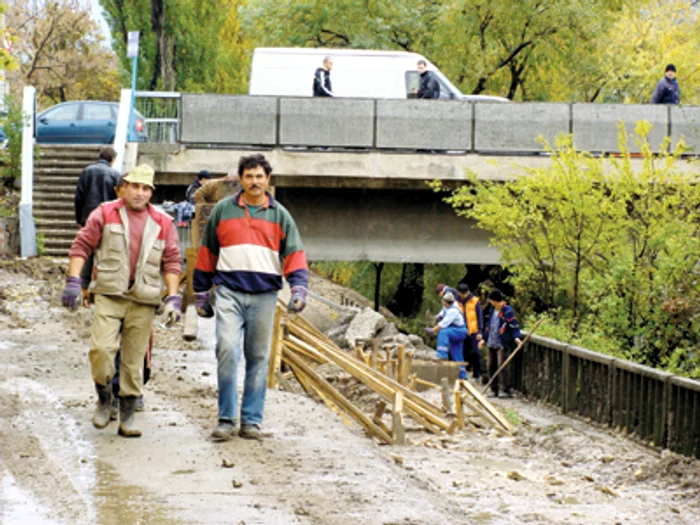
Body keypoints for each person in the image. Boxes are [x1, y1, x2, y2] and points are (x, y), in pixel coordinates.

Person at [193, 154, 309, 442]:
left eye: (259, 176)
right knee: (227, 350)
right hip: (228, 291)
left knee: (257, 358)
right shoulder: (222, 211)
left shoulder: (280, 215)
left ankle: (251, 422)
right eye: (249, 176)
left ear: (268, 179)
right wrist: (199, 292)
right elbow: (207, 252)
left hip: (264, 295)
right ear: (240, 180)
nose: (254, 182)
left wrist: (298, 288)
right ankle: (225, 419)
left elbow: (294, 254)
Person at [61, 164, 182, 438]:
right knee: (102, 350)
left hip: (144, 299)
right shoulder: (105, 213)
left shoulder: (163, 223)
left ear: (151, 192)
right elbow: (82, 245)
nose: (139, 193)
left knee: (133, 361)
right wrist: (73, 280)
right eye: (134, 186)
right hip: (109, 294)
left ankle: (127, 413)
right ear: (123, 188)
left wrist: (174, 297)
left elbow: (172, 260)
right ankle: (104, 397)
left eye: (145, 188)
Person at [74, 147, 121, 293]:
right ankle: (103, 283)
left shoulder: (87, 172)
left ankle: (84, 285)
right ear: (112, 160)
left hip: (88, 216)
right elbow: (118, 199)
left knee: (88, 250)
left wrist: (80, 220)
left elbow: (79, 197)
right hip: (108, 218)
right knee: (107, 249)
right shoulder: (115, 174)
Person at [480, 289, 522, 398]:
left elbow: (513, 325)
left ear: (495, 301)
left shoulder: (506, 311)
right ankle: (494, 389)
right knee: (491, 365)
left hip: (502, 342)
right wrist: (484, 339)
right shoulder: (491, 311)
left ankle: (506, 389)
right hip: (492, 341)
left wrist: (516, 337)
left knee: (502, 365)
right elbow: (488, 326)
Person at [425, 292, 468, 379]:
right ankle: (463, 375)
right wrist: (435, 317)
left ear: (446, 302)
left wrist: (432, 330)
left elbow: (444, 324)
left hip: (459, 331)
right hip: (455, 331)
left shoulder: (453, 311)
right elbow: (441, 314)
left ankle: (442, 355)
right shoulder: (448, 306)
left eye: (443, 302)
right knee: (457, 354)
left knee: (443, 332)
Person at [456, 283, 484, 381]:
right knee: (462, 352)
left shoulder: (475, 301)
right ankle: (462, 374)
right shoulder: (455, 302)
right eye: (462, 293)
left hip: (473, 330)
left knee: (475, 352)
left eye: (466, 293)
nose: (464, 295)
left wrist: (480, 331)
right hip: (460, 330)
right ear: (458, 292)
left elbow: (479, 316)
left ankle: (477, 374)